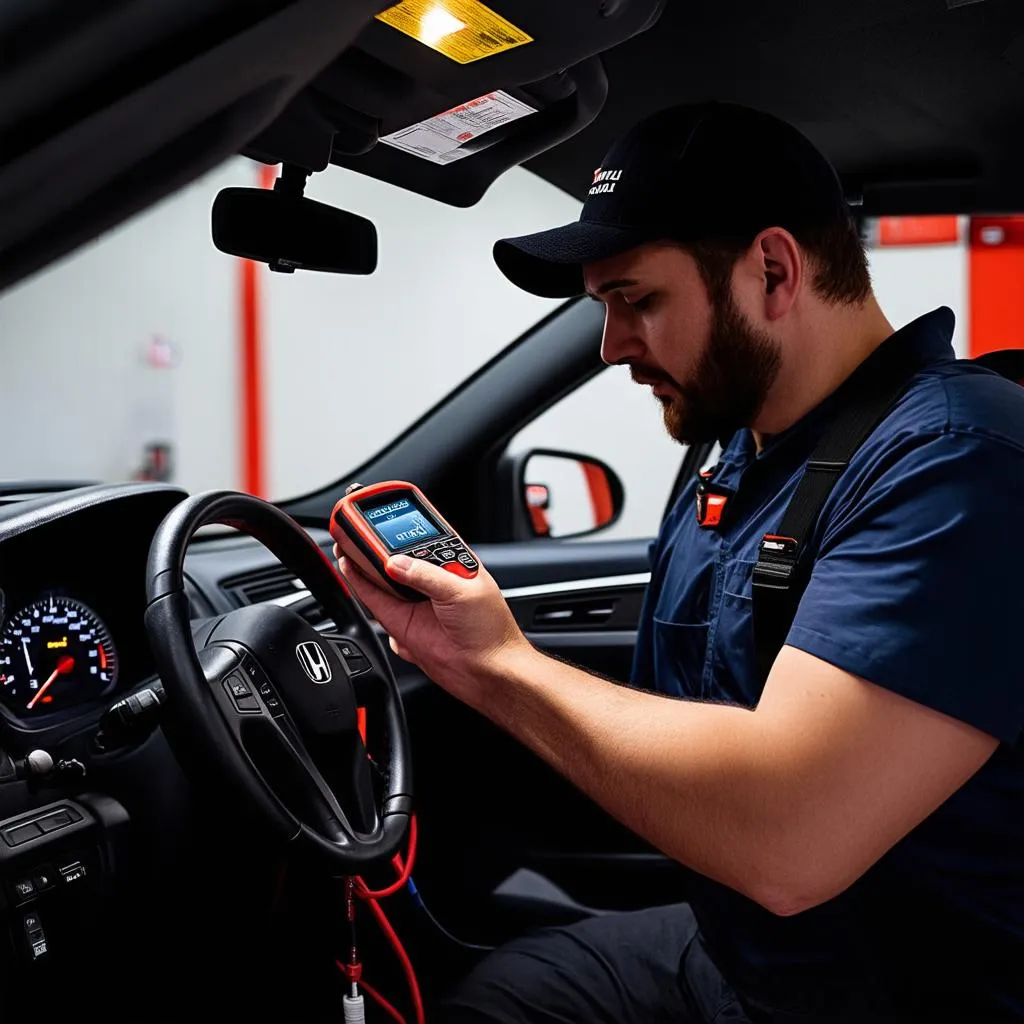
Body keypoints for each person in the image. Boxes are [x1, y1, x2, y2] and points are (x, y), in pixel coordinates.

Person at [336, 102, 1024, 1022]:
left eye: (636, 301)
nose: (616, 346)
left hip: (909, 994)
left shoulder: (958, 462)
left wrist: (493, 664)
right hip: (753, 961)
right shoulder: (743, 453)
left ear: (773, 271)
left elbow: (789, 836)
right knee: (491, 997)